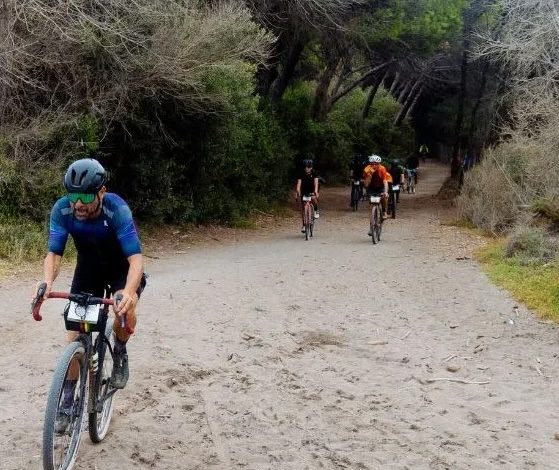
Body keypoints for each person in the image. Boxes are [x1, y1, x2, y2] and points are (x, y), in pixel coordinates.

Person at [36, 158, 145, 430]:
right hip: (89, 269)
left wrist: (129, 293)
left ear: (101, 191)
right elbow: (54, 254)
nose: (78, 204)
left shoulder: (116, 209)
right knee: (73, 334)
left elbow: (136, 260)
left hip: (121, 268)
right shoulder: (62, 210)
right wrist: (48, 282)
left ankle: (119, 351)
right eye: (73, 196)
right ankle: (69, 400)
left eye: (85, 196)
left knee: (125, 309)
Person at [362, 155, 389, 227]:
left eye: (376, 164)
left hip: (380, 187)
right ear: (370, 164)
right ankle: (372, 223)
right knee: (371, 204)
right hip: (371, 187)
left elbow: (385, 181)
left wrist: (385, 192)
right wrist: (370, 174)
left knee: (384, 197)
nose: (374, 165)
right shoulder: (367, 169)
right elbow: (366, 185)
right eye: (372, 164)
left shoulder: (382, 169)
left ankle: (384, 212)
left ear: (379, 164)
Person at [295, 159, 320, 232]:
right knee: (303, 208)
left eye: (309, 167)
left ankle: (316, 210)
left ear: (311, 167)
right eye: (305, 167)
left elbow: (316, 184)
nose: (307, 168)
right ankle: (304, 225)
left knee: (313, 198)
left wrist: (315, 192)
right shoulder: (301, 173)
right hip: (304, 190)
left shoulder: (314, 173)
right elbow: (299, 184)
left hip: (312, 189)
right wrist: (298, 192)